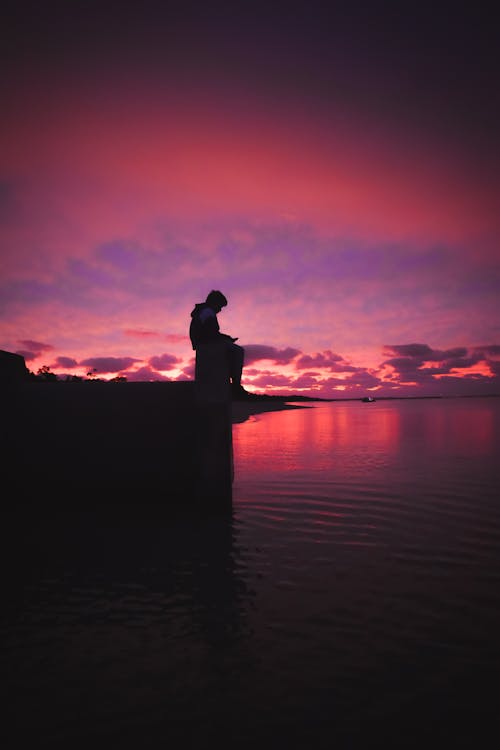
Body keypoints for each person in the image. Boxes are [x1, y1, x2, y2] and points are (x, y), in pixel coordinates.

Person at [190, 290, 248, 398]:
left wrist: (226, 338)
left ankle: (233, 385)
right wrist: (226, 339)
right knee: (238, 351)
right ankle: (236, 386)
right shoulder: (208, 312)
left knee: (231, 350)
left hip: (203, 342)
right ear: (214, 302)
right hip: (206, 344)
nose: (220, 310)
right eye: (220, 306)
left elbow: (211, 332)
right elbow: (210, 334)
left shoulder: (203, 311)